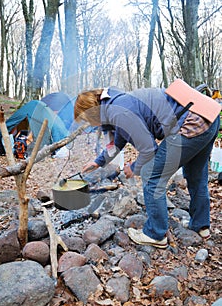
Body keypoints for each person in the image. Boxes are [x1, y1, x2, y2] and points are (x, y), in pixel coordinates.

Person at [74, 81, 221, 249]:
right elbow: (121, 137)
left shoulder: (118, 111)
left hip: (192, 122)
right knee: (196, 176)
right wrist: (98, 161)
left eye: (87, 119)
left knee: (152, 177)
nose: (90, 125)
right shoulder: (116, 102)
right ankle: (201, 226)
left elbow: (149, 149)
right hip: (209, 114)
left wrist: (135, 167)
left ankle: (155, 234)